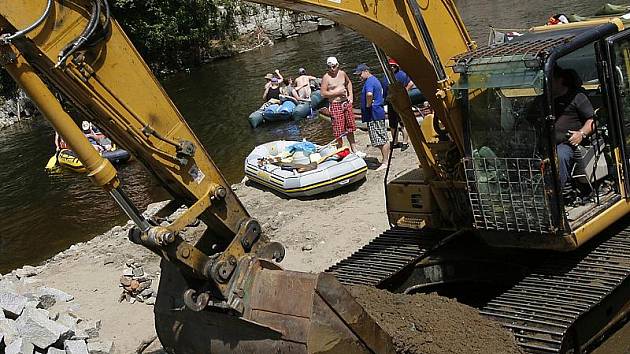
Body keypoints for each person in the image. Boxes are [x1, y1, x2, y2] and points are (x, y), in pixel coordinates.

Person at [551, 67, 594, 196]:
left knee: (560, 155)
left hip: (566, 143)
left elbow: (592, 121)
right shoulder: (543, 100)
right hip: (544, 143)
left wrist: (581, 134)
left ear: (560, 80)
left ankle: (560, 194)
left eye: (549, 80)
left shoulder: (577, 97)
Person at [320, 56, 364, 156]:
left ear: (337, 65)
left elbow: (349, 83)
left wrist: (351, 96)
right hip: (335, 104)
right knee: (338, 129)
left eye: (334, 66)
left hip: (345, 103)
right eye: (329, 67)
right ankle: (340, 149)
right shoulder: (326, 77)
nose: (332, 69)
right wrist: (337, 93)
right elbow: (323, 93)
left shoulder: (342, 73)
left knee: (350, 127)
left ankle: (354, 149)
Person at [355, 63, 390, 171]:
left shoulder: (370, 82)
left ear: (366, 71)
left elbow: (369, 94)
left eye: (360, 74)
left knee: (381, 138)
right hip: (376, 113)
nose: (359, 77)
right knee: (378, 138)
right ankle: (385, 160)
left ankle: (385, 162)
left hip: (374, 114)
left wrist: (368, 105)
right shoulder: (374, 80)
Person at [382, 58, 415, 151]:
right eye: (390, 66)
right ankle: (395, 142)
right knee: (392, 124)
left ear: (396, 66)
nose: (392, 67)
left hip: (400, 102)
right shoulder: (386, 77)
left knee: (403, 123)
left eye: (393, 66)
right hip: (390, 102)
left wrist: (405, 92)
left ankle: (405, 142)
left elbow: (411, 83)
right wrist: (385, 99)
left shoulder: (402, 75)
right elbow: (385, 90)